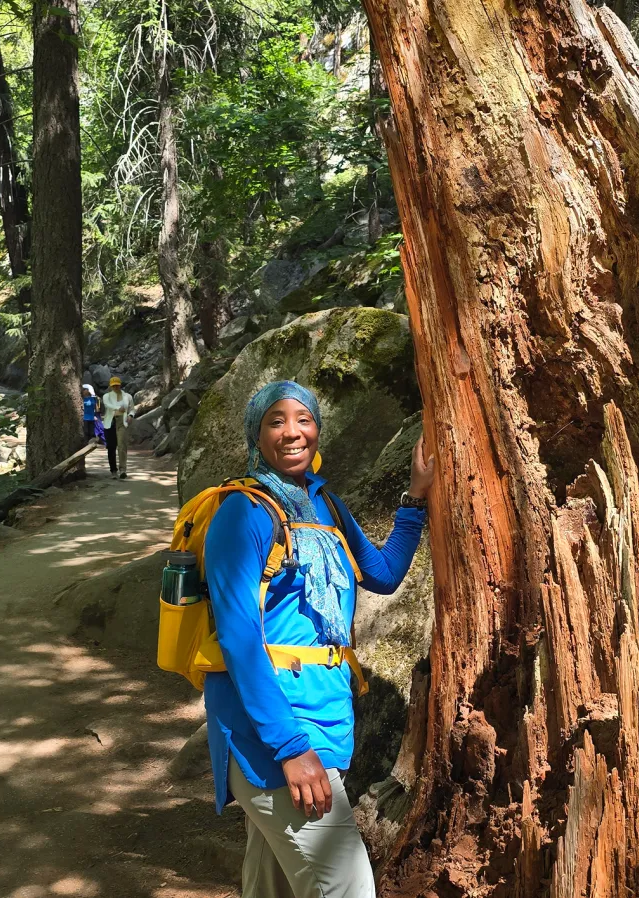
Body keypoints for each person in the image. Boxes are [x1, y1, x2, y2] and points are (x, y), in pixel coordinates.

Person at [203, 381, 435, 898]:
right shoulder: (242, 513)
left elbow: (382, 574)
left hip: (323, 719)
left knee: (274, 887)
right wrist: (290, 748)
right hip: (274, 735)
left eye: (303, 419)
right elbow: (239, 643)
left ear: (318, 429)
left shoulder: (324, 501)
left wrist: (415, 497)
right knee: (348, 887)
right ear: (256, 435)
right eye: (276, 421)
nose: (292, 432)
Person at [101, 376, 133, 478]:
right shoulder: (106, 396)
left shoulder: (127, 396)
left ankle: (123, 470)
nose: (115, 387)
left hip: (122, 422)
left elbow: (131, 408)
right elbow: (108, 405)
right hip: (110, 422)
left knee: (122, 445)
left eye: (117, 385)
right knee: (111, 447)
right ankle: (113, 470)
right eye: (113, 386)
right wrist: (119, 408)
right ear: (110, 386)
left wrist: (131, 415)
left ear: (120, 385)